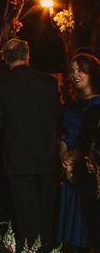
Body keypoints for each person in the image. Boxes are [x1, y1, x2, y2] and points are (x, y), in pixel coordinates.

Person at [0, 39, 60, 251]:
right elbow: (58, 115)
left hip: (18, 159)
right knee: (47, 211)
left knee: (26, 214)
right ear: (28, 55)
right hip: (47, 156)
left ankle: (30, 249)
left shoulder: (0, 86)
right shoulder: (48, 82)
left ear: (5, 58)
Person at [59, 53, 100, 250]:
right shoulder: (72, 107)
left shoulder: (98, 105)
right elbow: (64, 136)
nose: (75, 75)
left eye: (80, 70)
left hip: (90, 174)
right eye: (72, 71)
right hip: (70, 172)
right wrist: (65, 163)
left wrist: (75, 161)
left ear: (91, 73)